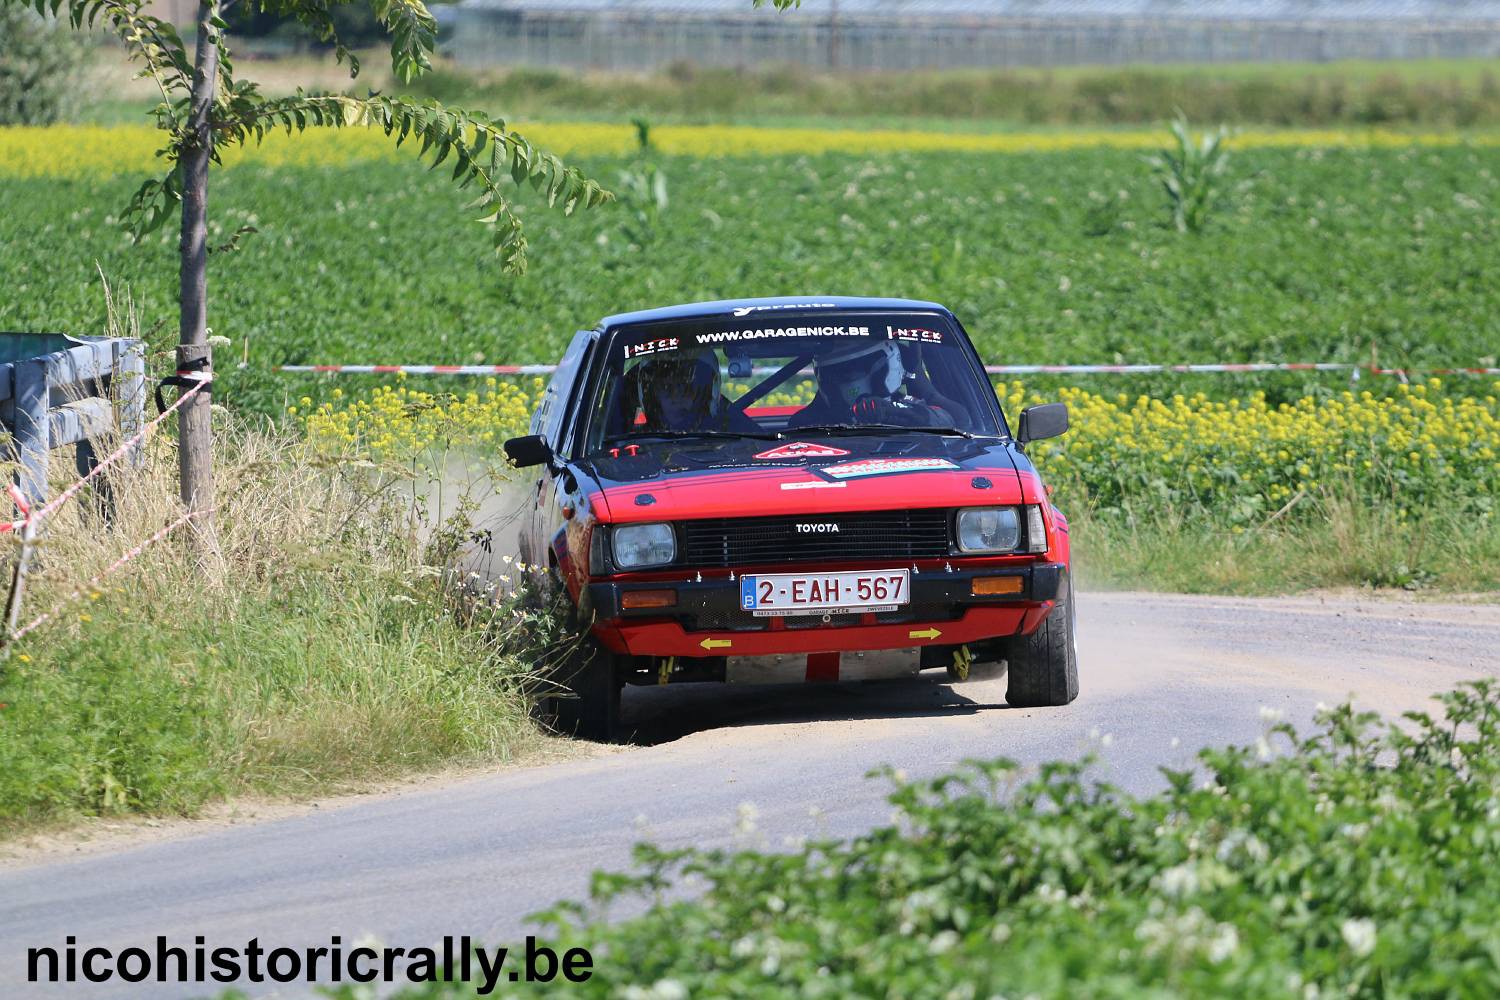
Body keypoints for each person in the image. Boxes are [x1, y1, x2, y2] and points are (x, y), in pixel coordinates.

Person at [788, 339, 955, 429]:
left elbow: (953, 421)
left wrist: (893, 413)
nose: (844, 379)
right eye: (835, 373)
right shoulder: (810, 421)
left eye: (853, 370)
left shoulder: (910, 407)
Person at [629, 348, 759, 434]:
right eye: (667, 388)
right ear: (651, 395)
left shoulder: (741, 436)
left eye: (686, 388)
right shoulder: (631, 444)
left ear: (709, 391)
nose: (676, 398)